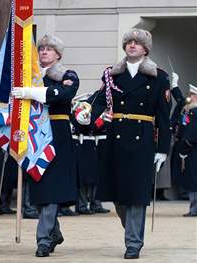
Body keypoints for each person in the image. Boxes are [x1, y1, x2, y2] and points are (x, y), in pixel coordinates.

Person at [77, 28, 171, 259]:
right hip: (115, 138)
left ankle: (133, 244)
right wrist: (85, 115)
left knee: (136, 194)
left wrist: (162, 150)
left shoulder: (158, 77)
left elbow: (164, 117)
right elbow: (99, 102)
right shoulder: (111, 75)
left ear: (145, 48)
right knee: (119, 195)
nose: (132, 45)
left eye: (137, 43)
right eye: (128, 42)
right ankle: (131, 230)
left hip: (142, 138)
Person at [11, 34, 79, 257]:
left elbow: (64, 94)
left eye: (49, 49)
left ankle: (43, 240)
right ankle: (53, 232)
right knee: (41, 189)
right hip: (34, 135)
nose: (44, 52)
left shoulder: (67, 75)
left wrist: (32, 93)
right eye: (41, 49)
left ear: (58, 54)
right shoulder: (30, 76)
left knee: (51, 189)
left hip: (57, 135)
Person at [176, 83, 197, 217]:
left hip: (193, 149)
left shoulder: (193, 112)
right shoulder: (189, 110)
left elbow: (190, 132)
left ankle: (194, 208)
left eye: (192, 95)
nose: (189, 97)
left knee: (193, 179)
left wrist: (184, 146)